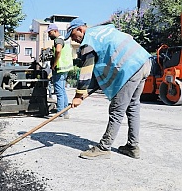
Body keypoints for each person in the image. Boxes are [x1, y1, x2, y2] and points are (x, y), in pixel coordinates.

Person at [66, 18, 151, 159]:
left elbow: (87, 69)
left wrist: (78, 95)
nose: (74, 40)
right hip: (143, 61)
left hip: (130, 67)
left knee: (117, 110)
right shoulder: (102, 29)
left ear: (80, 29)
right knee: (133, 106)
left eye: (73, 36)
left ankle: (104, 148)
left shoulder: (88, 42)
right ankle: (132, 147)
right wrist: (85, 91)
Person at [47, 23, 74, 119]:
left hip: (59, 69)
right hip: (65, 68)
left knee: (59, 91)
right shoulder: (64, 39)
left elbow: (58, 51)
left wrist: (54, 64)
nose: (49, 35)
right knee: (62, 91)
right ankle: (65, 112)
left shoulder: (58, 40)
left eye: (49, 33)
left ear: (55, 31)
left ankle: (59, 114)